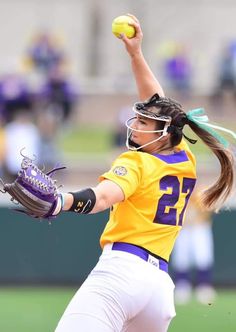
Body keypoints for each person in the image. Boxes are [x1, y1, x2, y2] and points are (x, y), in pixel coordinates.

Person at [54, 15, 235, 332]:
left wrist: (61, 200)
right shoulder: (184, 158)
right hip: (158, 290)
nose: (135, 125)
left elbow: (102, 198)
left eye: (142, 123)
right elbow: (162, 106)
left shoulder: (137, 162)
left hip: (120, 274)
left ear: (163, 133)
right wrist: (136, 54)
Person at [171, 186, 216, 305]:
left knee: (203, 256)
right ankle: (182, 286)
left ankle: (204, 286)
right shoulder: (178, 193)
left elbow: (208, 211)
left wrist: (196, 220)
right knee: (181, 258)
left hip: (199, 228)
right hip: (183, 228)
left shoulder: (201, 194)